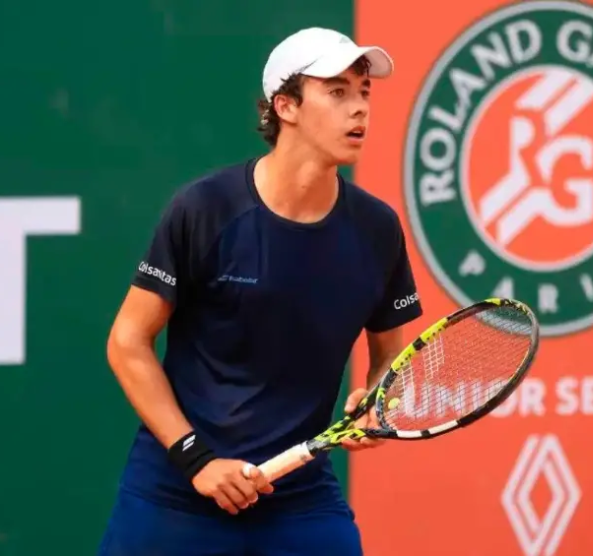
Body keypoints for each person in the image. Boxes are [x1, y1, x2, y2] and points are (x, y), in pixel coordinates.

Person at [98, 27, 423, 556]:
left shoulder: (377, 229)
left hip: (299, 498)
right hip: (176, 493)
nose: (360, 107)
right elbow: (127, 342)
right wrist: (197, 459)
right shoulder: (206, 209)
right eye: (337, 91)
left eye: (364, 91)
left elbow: (389, 355)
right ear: (285, 106)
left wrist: (378, 399)